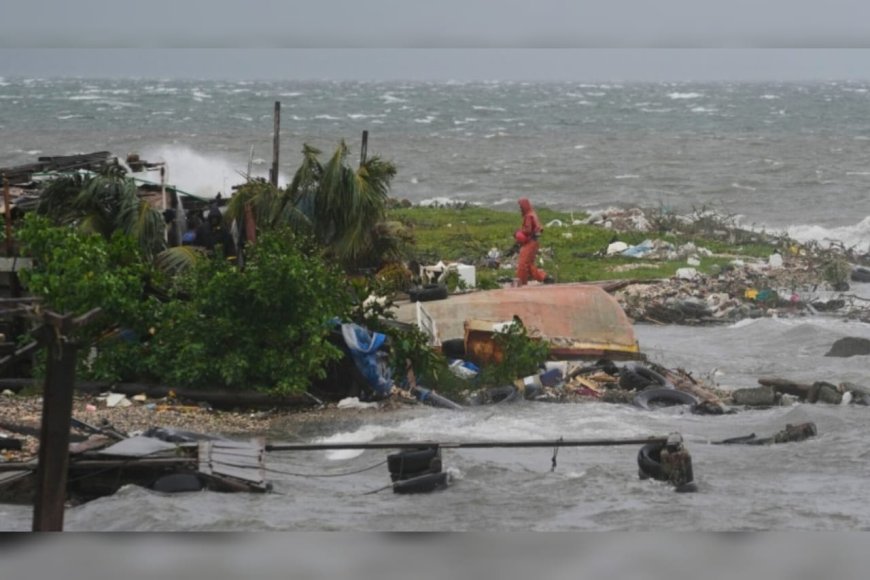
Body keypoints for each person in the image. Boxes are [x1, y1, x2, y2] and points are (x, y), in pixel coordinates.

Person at [515, 198, 553, 285]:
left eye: (521, 206)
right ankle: (544, 277)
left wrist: (518, 232)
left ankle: (521, 282)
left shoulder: (528, 216)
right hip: (535, 242)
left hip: (529, 242)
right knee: (529, 263)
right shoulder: (533, 213)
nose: (520, 208)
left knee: (523, 263)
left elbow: (527, 230)